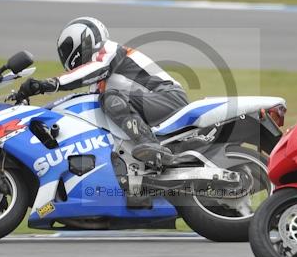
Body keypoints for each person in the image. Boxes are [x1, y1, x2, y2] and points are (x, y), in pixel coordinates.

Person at [16, 17, 189, 165]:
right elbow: (79, 101)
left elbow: (95, 69)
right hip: (150, 105)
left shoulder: (109, 49)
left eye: (67, 49)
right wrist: (40, 112)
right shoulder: (98, 84)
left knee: (109, 99)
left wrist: (47, 84)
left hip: (167, 97)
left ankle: (150, 145)